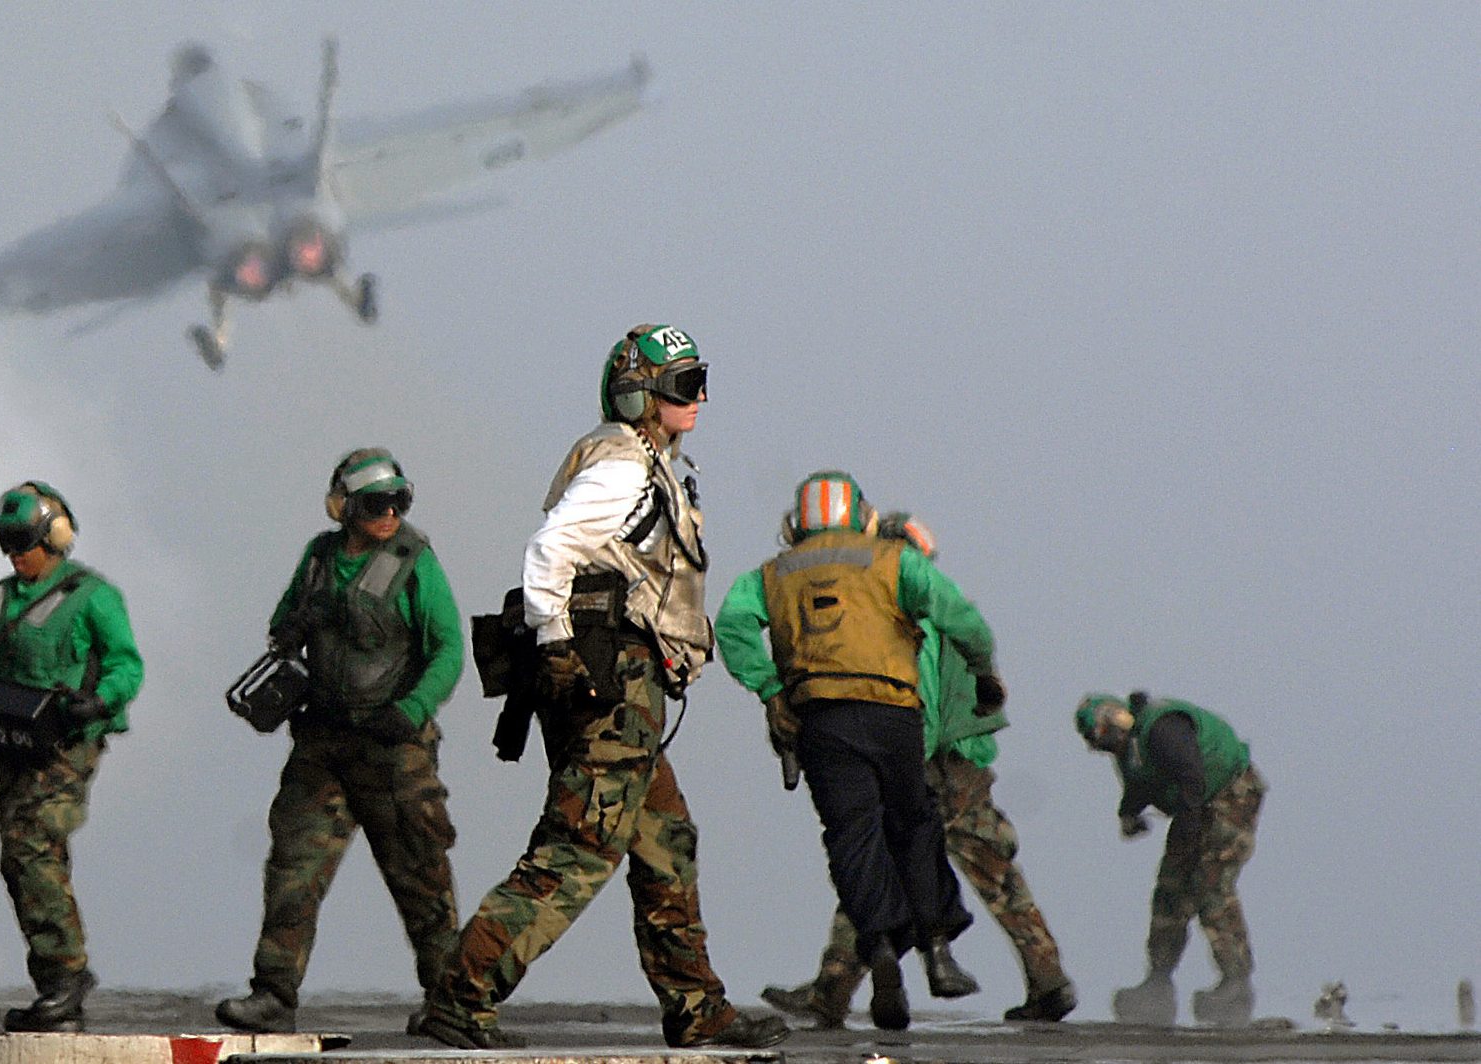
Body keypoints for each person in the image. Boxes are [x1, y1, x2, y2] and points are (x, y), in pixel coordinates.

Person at [419, 324, 788, 1051]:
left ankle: (696, 1007)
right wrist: (557, 644)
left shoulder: (648, 463)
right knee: (580, 848)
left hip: (625, 684)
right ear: (642, 397)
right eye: (685, 386)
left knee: (663, 841)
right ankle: (463, 993)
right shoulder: (622, 466)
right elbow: (550, 549)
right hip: (609, 682)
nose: (701, 397)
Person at [756, 516, 1075, 1026]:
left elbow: (914, 698)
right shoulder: (939, 608)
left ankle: (832, 989)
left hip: (925, 761)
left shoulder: (897, 615)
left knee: (873, 862)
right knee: (995, 872)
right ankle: (1049, 980)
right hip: (966, 765)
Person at [712, 473, 998, 1031]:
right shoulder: (893, 560)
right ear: (861, 514)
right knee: (914, 826)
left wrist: (771, 688)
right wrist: (984, 672)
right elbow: (958, 615)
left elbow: (731, 626)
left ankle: (883, 951)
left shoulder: (772, 574)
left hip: (821, 720)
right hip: (892, 714)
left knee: (852, 838)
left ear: (795, 523)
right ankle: (937, 952)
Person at [214, 449, 465, 1035]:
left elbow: (449, 649)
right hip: (323, 745)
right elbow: (282, 625)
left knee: (421, 877)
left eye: (398, 502)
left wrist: (411, 711)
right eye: (375, 504)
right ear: (344, 508)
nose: (389, 515)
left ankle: (452, 1004)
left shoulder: (414, 560)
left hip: (394, 749)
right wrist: (295, 626)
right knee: (292, 869)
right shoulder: (319, 559)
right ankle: (274, 993)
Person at [0, 481, 143, 1032]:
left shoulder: (93, 596)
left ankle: (66, 976)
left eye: (25, 542)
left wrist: (100, 700)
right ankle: (56, 988)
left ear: (55, 537)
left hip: (68, 743)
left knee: (33, 846)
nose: (17, 555)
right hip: (17, 748)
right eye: (7, 544)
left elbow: (127, 665)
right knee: (18, 862)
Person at [1076, 690, 1265, 1027]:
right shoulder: (1131, 750)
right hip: (1193, 806)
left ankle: (1236, 983)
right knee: (1170, 890)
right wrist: (1129, 814)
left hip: (1228, 794)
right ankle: (1158, 981)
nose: (1106, 744)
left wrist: (1190, 822)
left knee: (1211, 885)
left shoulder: (1162, 728)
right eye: (1099, 741)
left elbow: (1191, 773)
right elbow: (1139, 784)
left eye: (1106, 734)